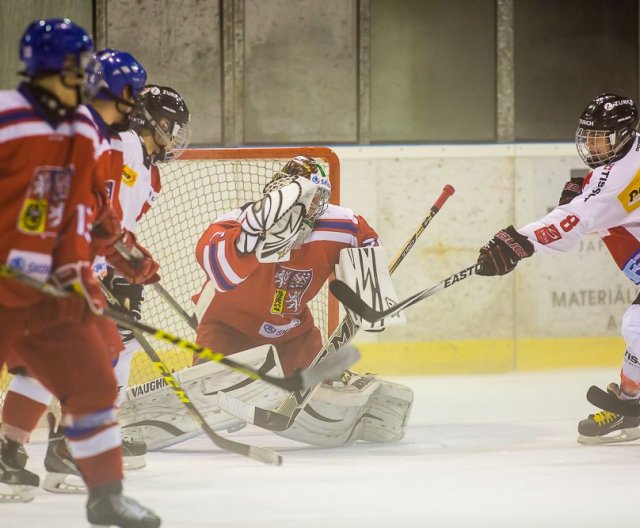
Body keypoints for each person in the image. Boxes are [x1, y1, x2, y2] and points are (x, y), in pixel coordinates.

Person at [119, 155, 414, 449]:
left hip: (293, 334)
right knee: (211, 395)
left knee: (324, 394)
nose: (309, 208)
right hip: (227, 329)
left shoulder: (341, 225)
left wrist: (370, 295)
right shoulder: (234, 224)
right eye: (301, 197)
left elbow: (366, 246)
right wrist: (254, 240)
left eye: (317, 199)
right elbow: (221, 273)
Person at [0, 19, 160, 527]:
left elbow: (91, 213)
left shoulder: (81, 132)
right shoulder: (6, 118)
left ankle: (105, 497)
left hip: (52, 292)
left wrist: (123, 258)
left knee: (92, 381)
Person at [474, 93, 640, 445]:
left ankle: (629, 405)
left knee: (636, 326)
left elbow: (573, 221)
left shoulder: (615, 179)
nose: (593, 146)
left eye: (602, 138)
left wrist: (517, 242)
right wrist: (583, 193)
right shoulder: (627, 159)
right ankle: (629, 405)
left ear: (624, 135)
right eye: (590, 137)